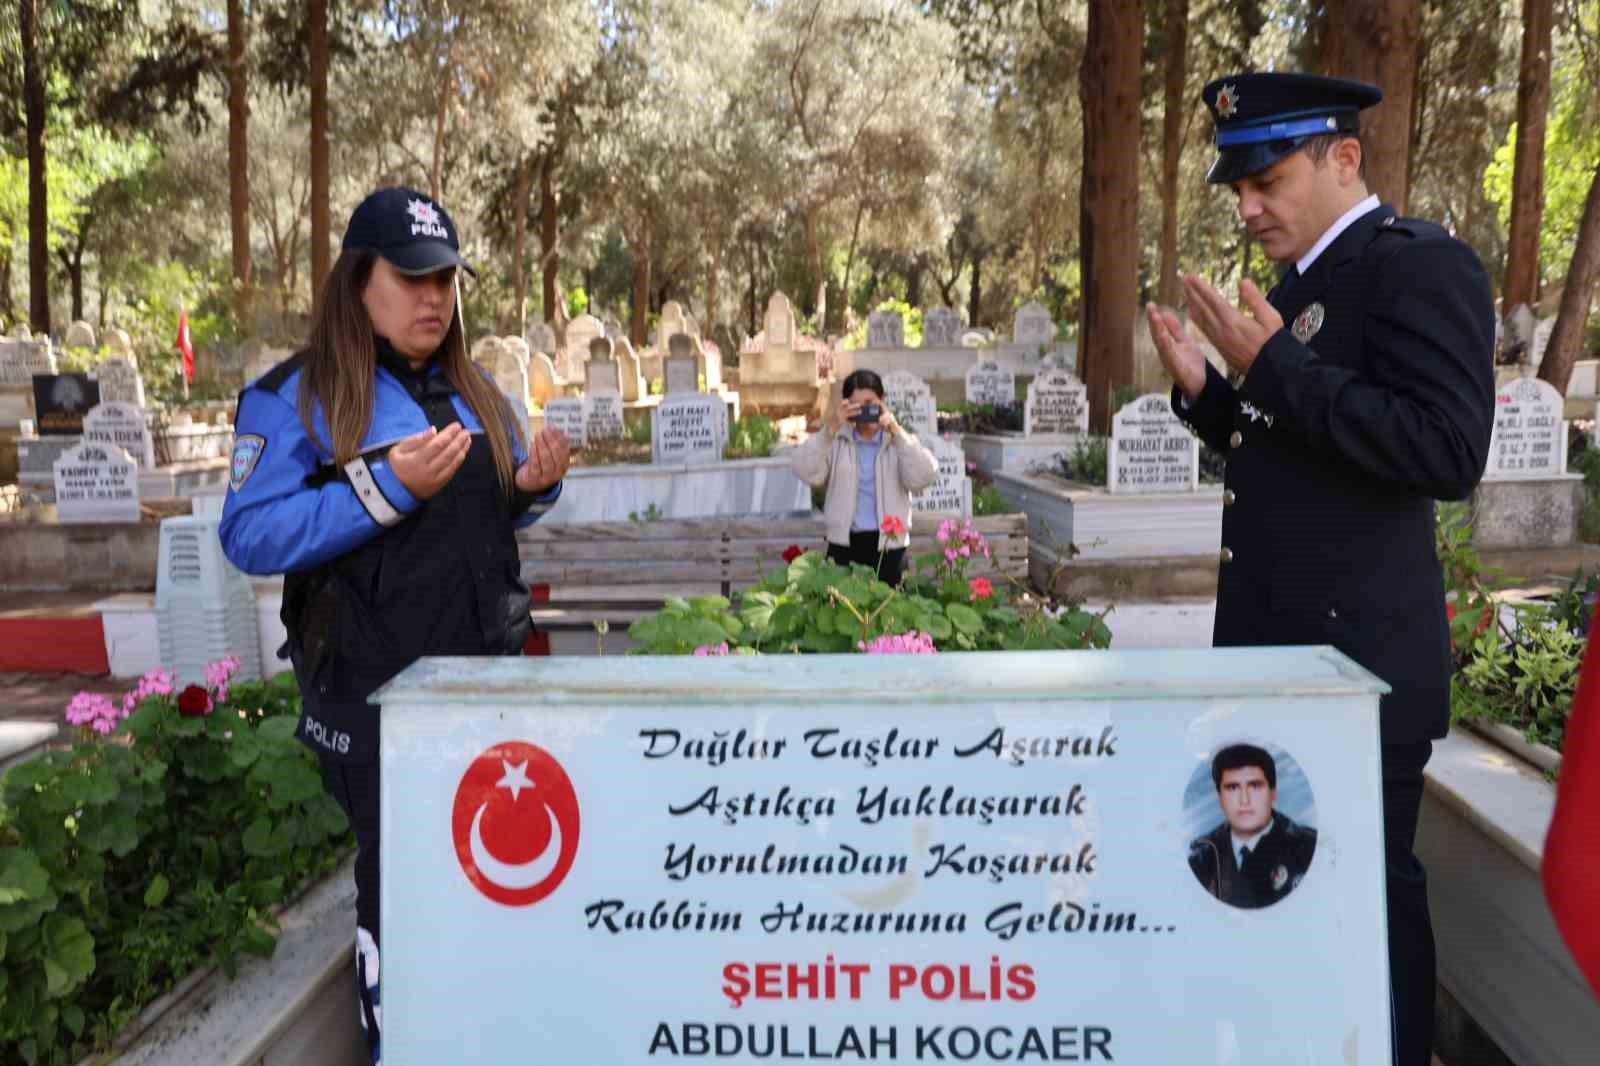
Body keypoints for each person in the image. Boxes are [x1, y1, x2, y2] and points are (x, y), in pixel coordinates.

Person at [1145, 73, 1495, 1066]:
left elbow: (1446, 451)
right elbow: (1301, 456)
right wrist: (1210, 395)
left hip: (1359, 674)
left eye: (1267, 180)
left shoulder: (1415, 267)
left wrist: (1279, 370)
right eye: (1238, 187)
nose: (1248, 207)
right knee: (1295, 917)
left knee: (1367, 917)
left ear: (1343, 157)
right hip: (1283, 666)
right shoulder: (1304, 284)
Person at [218, 186, 571, 1064]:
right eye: (412, 278)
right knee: (405, 885)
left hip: (487, 683)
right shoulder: (297, 397)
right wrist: (381, 489)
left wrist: (531, 488)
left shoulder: (479, 391)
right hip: (374, 699)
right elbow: (249, 534)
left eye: (445, 279)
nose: (434, 297)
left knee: (493, 877)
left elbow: (481, 522)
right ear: (358, 282)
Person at [790, 369, 937, 585]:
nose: (865, 410)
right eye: (857, 405)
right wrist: (830, 428)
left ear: (883, 400)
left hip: (889, 545)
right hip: (844, 543)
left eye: (870, 402)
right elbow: (803, 468)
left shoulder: (897, 441)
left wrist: (896, 431)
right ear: (846, 406)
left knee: (890, 605)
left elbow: (925, 475)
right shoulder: (836, 441)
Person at [1188, 744, 1317, 909]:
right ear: (1220, 797)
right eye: (1232, 788)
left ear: (1273, 793)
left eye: (1255, 786)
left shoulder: (1308, 848)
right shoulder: (1202, 858)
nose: (1244, 800)